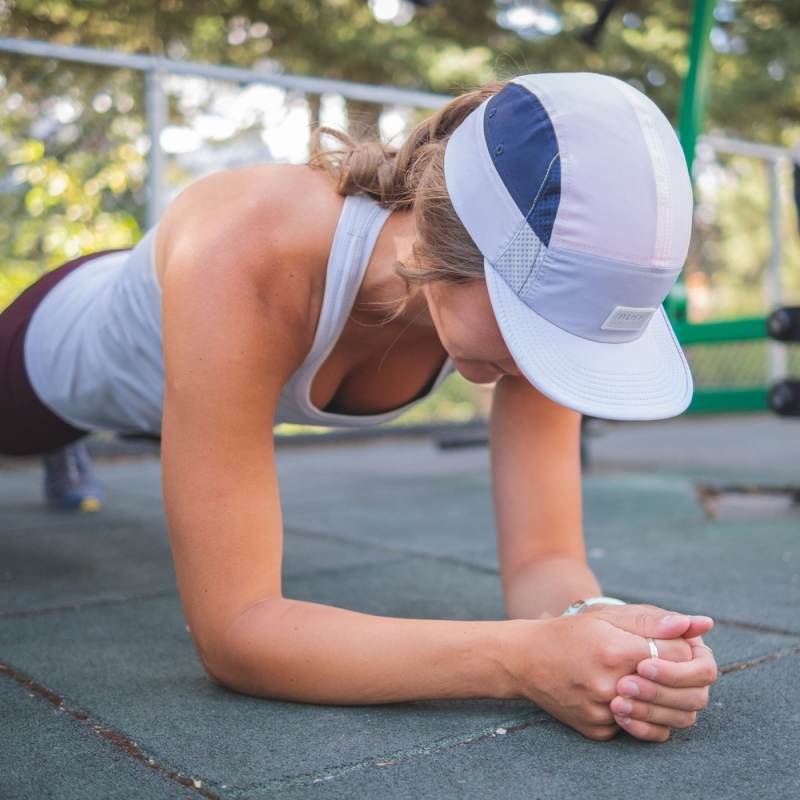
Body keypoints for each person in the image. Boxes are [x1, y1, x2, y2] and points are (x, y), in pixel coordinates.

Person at [0, 73, 717, 742]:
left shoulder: (536, 309)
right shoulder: (246, 245)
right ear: (449, 239)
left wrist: (601, 631)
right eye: (540, 329)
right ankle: (64, 445)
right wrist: (517, 659)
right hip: (52, 354)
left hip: (186, 391)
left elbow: (545, 558)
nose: (548, 364)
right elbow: (237, 632)